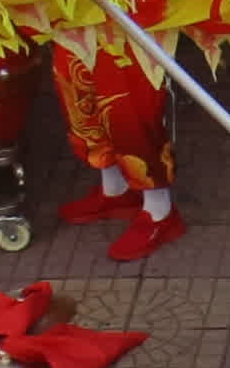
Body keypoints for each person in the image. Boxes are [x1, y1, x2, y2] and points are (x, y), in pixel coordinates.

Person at [48, 34, 181, 260]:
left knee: (127, 102)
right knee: (75, 79)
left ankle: (159, 211)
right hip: (76, 7)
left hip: (131, 8)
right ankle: (116, 189)